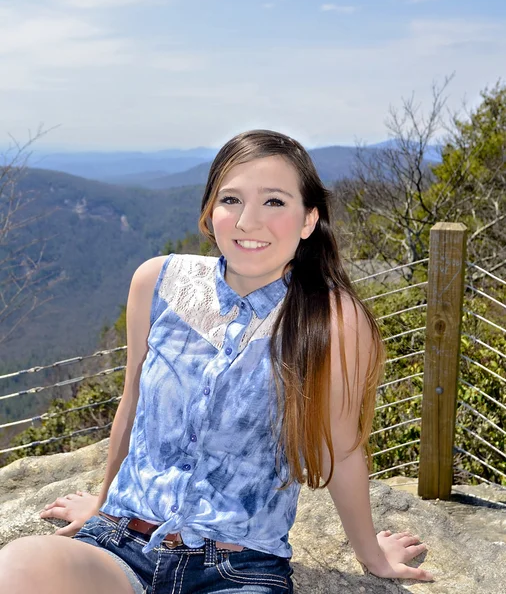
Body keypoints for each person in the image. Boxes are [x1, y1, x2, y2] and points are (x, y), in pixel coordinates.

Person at [0, 130, 433, 593]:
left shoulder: (333, 318)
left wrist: (372, 555)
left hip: (236, 569)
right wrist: (104, 500)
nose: (248, 221)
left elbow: (343, 451)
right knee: (20, 565)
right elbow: (131, 405)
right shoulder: (158, 282)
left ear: (309, 219)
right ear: (210, 212)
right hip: (120, 545)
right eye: (231, 199)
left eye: (274, 202)